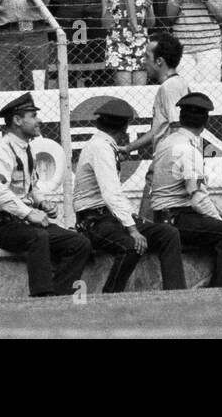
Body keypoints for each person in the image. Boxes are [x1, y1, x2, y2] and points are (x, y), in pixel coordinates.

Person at [73, 95, 185, 294]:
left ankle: (175, 293)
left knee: (168, 233)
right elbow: (111, 194)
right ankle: (111, 295)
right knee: (131, 246)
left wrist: (131, 220)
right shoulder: (100, 148)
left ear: (99, 123)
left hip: (109, 217)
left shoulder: (105, 145)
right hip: (95, 220)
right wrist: (132, 229)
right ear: (125, 128)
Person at [0, 92, 92, 297]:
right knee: (38, 236)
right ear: (17, 120)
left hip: (26, 222)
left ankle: (61, 295)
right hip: (3, 225)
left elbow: (31, 187)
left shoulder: (27, 149)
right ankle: (41, 296)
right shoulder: (1, 150)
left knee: (79, 242)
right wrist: (28, 213)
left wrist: (42, 203)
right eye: (32, 116)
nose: (38, 120)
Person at [149, 91, 222, 288]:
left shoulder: (167, 141)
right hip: (175, 217)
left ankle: (220, 285)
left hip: (169, 214)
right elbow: (197, 198)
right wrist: (218, 219)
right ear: (205, 122)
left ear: (180, 118)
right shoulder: (187, 150)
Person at [102, 0, 154, 85]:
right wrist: (109, 7)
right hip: (118, 44)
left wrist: (148, 8)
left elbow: (151, 24)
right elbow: (105, 25)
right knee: (125, 92)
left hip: (140, 44)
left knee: (140, 92)